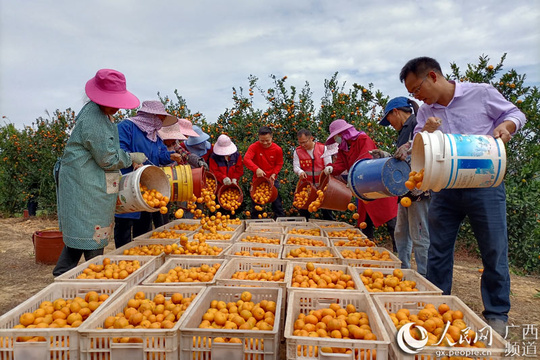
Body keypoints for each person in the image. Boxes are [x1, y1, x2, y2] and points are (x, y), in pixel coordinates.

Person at [399, 56, 526, 335]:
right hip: (444, 187)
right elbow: (419, 141)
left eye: (417, 89)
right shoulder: (424, 111)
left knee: (493, 249)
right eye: (412, 94)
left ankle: (496, 313)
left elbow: (515, 114)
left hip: (485, 183)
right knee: (438, 249)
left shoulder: (480, 93)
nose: (416, 96)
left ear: (433, 76)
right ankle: (437, 304)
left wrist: (507, 127)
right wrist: (426, 130)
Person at [53, 69, 141, 276]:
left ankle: (64, 274)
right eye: (114, 101)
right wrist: (130, 157)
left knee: (83, 232)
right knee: (90, 232)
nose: (118, 107)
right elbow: (107, 159)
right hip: (84, 185)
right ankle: (94, 280)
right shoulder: (94, 119)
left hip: (89, 184)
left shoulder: (101, 114)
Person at [114, 100, 183, 248]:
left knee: (144, 227)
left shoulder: (155, 136)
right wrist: (132, 160)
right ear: (151, 116)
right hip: (127, 183)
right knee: (124, 225)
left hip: (147, 188)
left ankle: (140, 258)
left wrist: (171, 156)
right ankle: (121, 258)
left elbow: (160, 155)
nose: (162, 121)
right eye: (161, 118)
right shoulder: (127, 127)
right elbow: (119, 149)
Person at [375, 96, 430, 276]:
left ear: (396, 112)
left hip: (419, 190)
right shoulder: (404, 131)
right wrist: (386, 155)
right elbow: (404, 158)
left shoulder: (417, 124)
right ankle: (404, 271)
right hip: (405, 191)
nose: (389, 124)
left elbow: (424, 152)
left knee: (420, 236)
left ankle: (424, 276)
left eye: (388, 119)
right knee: (401, 233)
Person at [324, 119, 398, 244]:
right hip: (361, 187)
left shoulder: (362, 139)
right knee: (365, 219)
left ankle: (398, 248)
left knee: (389, 216)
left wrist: (352, 176)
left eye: (337, 136)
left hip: (375, 182)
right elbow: (340, 164)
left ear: (343, 133)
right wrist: (331, 168)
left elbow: (365, 160)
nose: (336, 139)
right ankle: (367, 245)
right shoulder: (343, 148)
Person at [243, 126, 285, 219]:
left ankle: (280, 223)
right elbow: (246, 159)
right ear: (258, 138)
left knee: (277, 204)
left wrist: (274, 174)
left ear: (271, 137)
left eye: (267, 140)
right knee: (256, 206)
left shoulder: (277, 149)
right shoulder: (254, 147)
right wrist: (256, 169)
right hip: (258, 181)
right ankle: (255, 226)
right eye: (262, 140)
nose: (265, 143)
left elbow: (279, 163)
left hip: (272, 180)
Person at [293, 129, 334, 221]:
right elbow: (296, 166)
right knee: (304, 210)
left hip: (322, 185)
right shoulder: (297, 151)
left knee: (326, 210)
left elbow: (328, 163)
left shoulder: (323, 148)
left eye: (304, 142)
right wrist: (300, 172)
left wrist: (328, 168)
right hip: (306, 186)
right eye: (300, 143)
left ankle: (329, 229)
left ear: (311, 138)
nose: (303, 145)